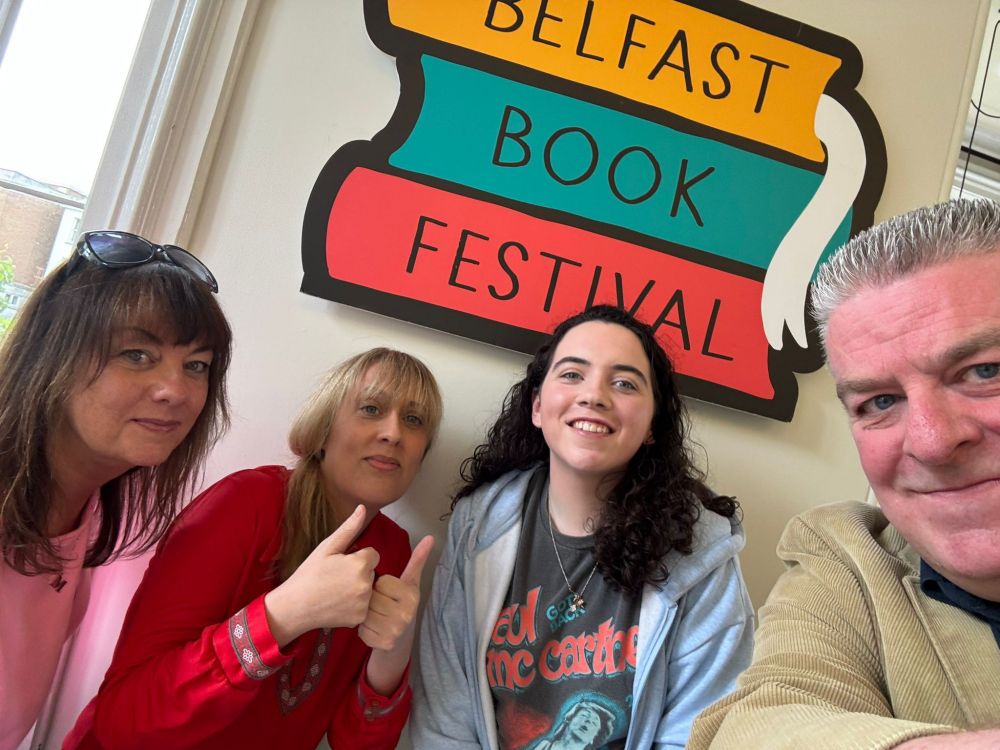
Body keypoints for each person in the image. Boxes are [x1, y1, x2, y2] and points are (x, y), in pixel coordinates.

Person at [688, 198, 1000, 749]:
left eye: (984, 371)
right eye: (880, 401)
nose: (931, 441)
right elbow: (755, 727)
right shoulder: (847, 556)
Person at [64, 347, 443, 750]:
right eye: (371, 408)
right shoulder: (244, 505)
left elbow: (356, 743)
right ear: (323, 429)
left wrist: (392, 655)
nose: (393, 433)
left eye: (414, 420)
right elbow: (123, 721)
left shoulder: (393, 552)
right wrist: (282, 617)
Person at [411, 305, 754, 749]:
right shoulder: (479, 525)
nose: (594, 396)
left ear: (652, 425)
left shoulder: (700, 552)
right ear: (537, 406)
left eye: (625, 383)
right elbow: (444, 717)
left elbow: (699, 734)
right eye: (572, 374)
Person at [0, 230, 232, 750]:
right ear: (52, 356)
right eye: (137, 354)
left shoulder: (89, 518)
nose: (177, 390)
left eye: (197, 364)